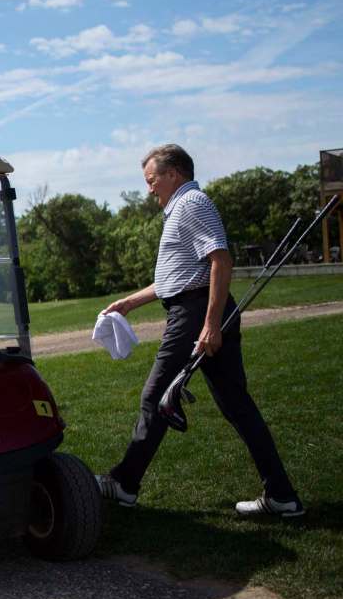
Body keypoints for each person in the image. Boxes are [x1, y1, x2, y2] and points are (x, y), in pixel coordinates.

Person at [96, 144, 304, 518]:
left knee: (156, 396)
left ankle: (124, 484)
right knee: (236, 406)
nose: (149, 189)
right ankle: (282, 496)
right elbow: (176, 277)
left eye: (152, 179)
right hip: (199, 308)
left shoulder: (192, 204)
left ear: (173, 173)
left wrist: (209, 325)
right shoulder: (180, 209)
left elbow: (220, 262)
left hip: (196, 314)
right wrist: (129, 302)